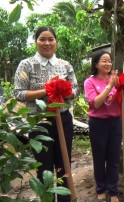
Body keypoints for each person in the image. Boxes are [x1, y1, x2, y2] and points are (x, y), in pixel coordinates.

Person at [14, 26, 79, 202]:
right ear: (36, 41)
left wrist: (64, 90)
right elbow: (19, 93)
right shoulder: (26, 64)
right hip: (39, 121)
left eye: (51, 39)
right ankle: (47, 199)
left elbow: (76, 90)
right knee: (44, 167)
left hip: (63, 120)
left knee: (64, 163)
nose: (47, 43)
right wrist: (47, 89)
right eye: (42, 39)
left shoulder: (65, 65)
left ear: (56, 41)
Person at [84, 51, 123, 202]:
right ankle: (100, 188)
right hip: (98, 123)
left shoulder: (115, 79)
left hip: (115, 122)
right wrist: (109, 87)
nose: (108, 64)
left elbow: (123, 102)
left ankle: (113, 191)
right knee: (99, 157)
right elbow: (96, 103)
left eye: (109, 61)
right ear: (96, 64)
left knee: (113, 158)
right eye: (104, 61)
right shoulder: (90, 82)